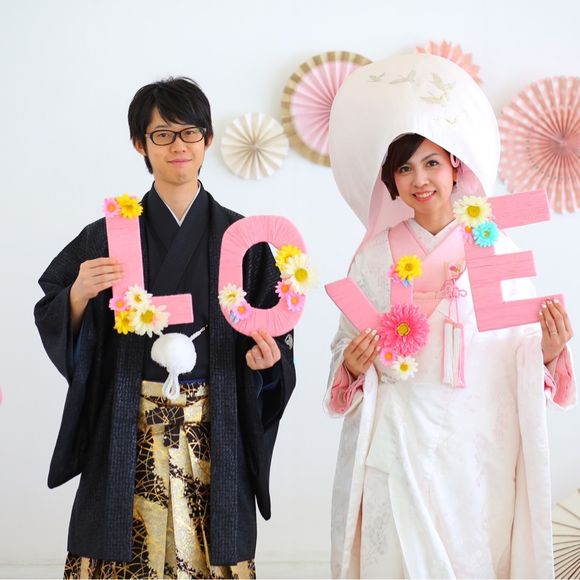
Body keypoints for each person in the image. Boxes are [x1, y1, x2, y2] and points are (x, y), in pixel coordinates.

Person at [324, 54, 576, 578]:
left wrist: (548, 351)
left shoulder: (494, 243)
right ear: (391, 181)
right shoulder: (373, 256)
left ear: (456, 165)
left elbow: (519, 345)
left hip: (476, 437)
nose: (420, 179)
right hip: (399, 431)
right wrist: (352, 363)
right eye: (404, 168)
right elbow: (347, 339)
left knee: (472, 552)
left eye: (431, 163)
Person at [34, 77, 295, 579]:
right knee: (121, 552)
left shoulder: (243, 239)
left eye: (191, 132)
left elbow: (274, 330)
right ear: (141, 144)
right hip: (127, 423)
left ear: (208, 140)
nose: (179, 145)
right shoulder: (109, 234)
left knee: (211, 551)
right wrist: (77, 294)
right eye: (163, 134)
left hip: (213, 424)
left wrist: (268, 364)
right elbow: (53, 306)